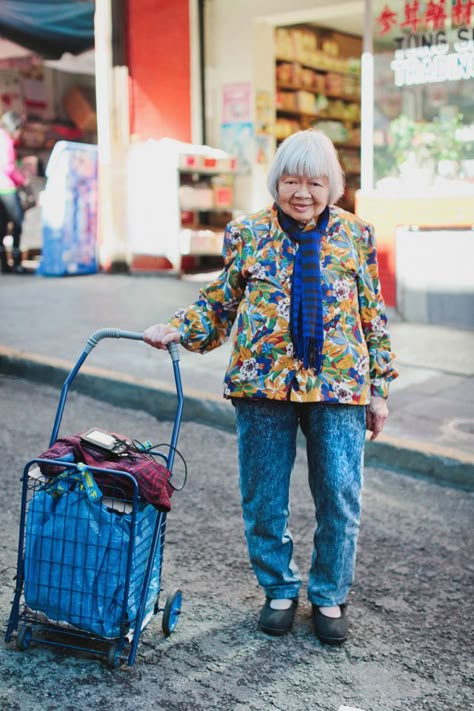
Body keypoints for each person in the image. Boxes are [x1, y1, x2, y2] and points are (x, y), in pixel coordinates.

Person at [144, 129, 398, 645]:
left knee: (340, 496)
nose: (301, 192)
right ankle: (278, 587)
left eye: (315, 182)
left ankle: (329, 594)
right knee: (263, 496)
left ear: (334, 187)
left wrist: (380, 387)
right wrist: (179, 327)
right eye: (291, 180)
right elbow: (220, 301)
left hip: (338, 386)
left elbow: (372, 318)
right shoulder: (247, 234)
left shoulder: (357, 235)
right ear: (276, 182)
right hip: (263, 385)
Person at [0, 110, 26, 274]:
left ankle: (4, 265)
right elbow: (8, 167)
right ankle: (16, 263)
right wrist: (23, 179)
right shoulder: (6, 141)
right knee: (17, 224)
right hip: (7, 188)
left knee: (1, 228)